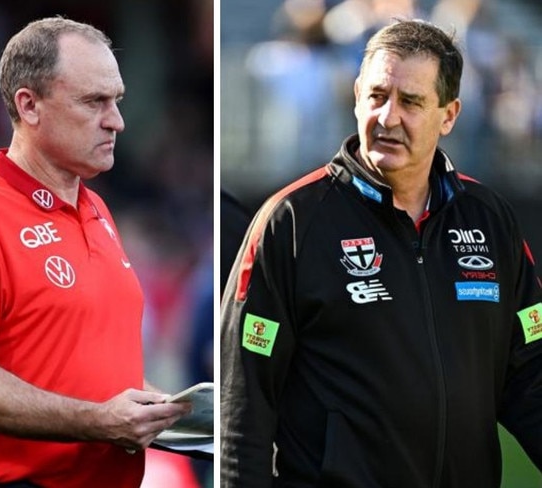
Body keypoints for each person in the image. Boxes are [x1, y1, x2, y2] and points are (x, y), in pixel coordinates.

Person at [220, 18, 542, 487]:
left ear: (449, 115)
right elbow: (242, 404)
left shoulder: (490, 220)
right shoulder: (291, 222)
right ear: (356, 96)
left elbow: (531, 377)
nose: (388, 118)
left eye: (411, 102)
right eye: (377, 96)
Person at [0, 16, 191, 488]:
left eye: (116, 101)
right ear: (30, 105)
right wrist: (96, 420)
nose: (116, 120)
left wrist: (164, 409)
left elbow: (77, 368)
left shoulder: (96, 209)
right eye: (94, 101)